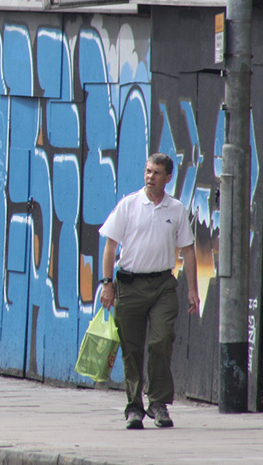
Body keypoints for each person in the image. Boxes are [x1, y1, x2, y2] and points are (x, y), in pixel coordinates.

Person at [98, 152, 200, 430]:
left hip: (162, 286)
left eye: (156, 173)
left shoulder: (176, 209)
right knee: (131, 349)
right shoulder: (129, 205)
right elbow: (109, 247)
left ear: (168, 178)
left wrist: (193, 290)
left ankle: (158, 403)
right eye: (147, 171)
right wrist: (107, 284)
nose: (150, 177)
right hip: (129, 286)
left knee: (160, 340)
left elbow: (188, 251)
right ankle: (134, 407)